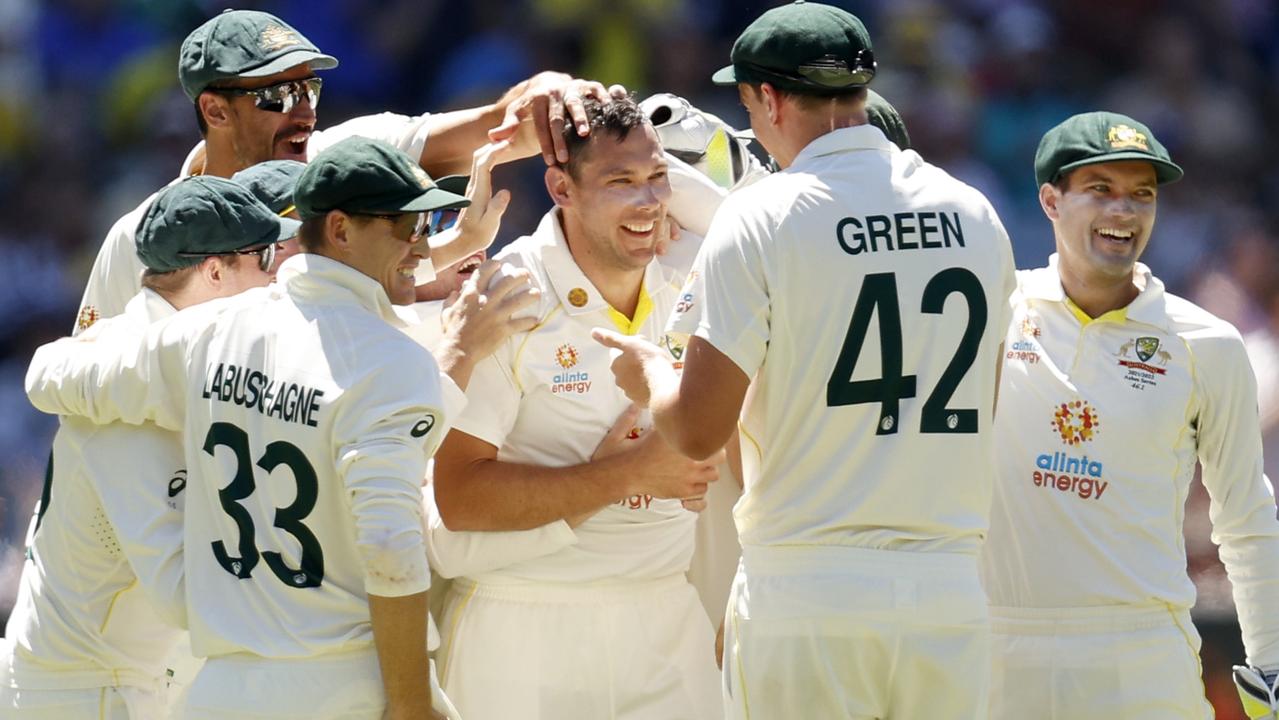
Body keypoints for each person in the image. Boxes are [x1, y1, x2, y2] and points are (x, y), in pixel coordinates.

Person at [594, 3, 1016, 718]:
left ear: (769, 97)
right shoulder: (974, 210)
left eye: (747, 101)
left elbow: (696, 431)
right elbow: (985, 398)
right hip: (948, 590)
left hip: (809, 584)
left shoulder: (760, 216)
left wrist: (648, 374)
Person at [25, 136, 514, 719]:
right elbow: (387, 542)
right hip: (326, 680)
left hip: (220, 687)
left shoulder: (215, 332)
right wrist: (411, 702)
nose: (419, 242)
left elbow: (47, 373)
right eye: (407, 225)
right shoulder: (382, 360)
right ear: (336, 230)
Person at [977, 111, 1279, 719]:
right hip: (995, 650)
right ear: (1049, 200)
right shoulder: (991, 315)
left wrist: (1271, 663)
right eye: (1101, 191)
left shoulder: (1207, 343)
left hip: (1141, 656)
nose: (1125, 212)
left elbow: (1245, 514)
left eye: (1142, 195)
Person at [429, 96, 722, 720]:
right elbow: (456, 498)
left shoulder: (697, 269)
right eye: (621, 183)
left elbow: (763, 213)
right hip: (522, 631)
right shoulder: (504, 295)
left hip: (666, 617)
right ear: (561, 186)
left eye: (657, 179)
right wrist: (629, 476)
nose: (648, 203)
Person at [74, 8, 621, 334]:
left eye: (309, 87)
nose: (305, 110)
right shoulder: (144, 237)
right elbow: (85, 381)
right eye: (278, 93)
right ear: (215, 111)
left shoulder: (351, 157)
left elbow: (501, 125)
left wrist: (553, 90)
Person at [1, 176, 292, 719]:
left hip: (127, 681)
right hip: (81, 694)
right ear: (214, 271)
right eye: (266, 255)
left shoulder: (143, 358)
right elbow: (183, 591)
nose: (279, 274)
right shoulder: (120, 395)